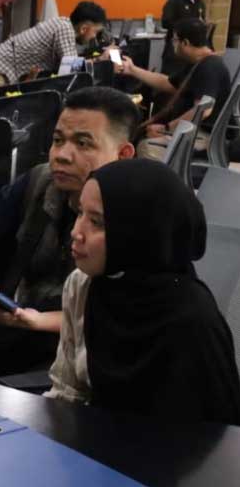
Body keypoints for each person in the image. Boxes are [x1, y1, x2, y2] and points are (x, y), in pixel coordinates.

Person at [0, 86, 139, 379]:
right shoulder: (41, 181)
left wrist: (37, 321)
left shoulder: (137, 214)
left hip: (73, 354)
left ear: (123, 154)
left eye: (83, 144)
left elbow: (119, 318)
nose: (62, 155)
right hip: (12, 327)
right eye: (58, 140)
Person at [47, 158, 240, 425]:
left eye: (97, 222)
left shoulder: (191, 320)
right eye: (80, 213)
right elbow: (67, 392)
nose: (75, 232)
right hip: (91, 442)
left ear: (138, 232)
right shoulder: (84, 285)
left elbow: (211, 435)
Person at [119, 18, 230, 159]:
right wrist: (132, 69)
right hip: (193, 130)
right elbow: (168, 83)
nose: (173, 44)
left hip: (203, 136)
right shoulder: (199, 63)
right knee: (140, 136)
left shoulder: (210, 67)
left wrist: (167, 128)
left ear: (185, 43)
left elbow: (203, 111)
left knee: (145, 146)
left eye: (175, 40)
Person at [0, 1, 107, 89]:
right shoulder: (64, 29)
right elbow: (71, 70)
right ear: (84, 29)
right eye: (95, 32)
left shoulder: (65, 25)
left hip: (6, 70)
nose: (94, 36)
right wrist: (99, 60)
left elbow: (66, 65)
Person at [162, 0, 211, 77]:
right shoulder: (175, 2)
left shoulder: (201, 4)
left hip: (193, 54)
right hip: (175, 52)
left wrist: (203, 25)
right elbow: (165, 22)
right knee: (168, 81)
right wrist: (189, 25)